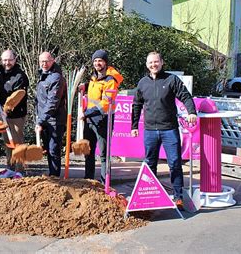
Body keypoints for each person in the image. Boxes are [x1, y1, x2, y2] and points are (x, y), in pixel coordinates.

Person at [131, 51, 197, 209]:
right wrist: (133, 126)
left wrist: (192, 112)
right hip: (150, 131)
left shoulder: (171, 79)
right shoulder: (142, 83)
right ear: (147, 65)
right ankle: (150, 194)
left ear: (162, 62)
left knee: (174, 163)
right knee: (150, 164)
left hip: (169, 129)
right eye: (150, 63)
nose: (153, 65)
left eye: (156, 62)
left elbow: (185, 96)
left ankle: (178, 196)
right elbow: (136, 105)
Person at [79, 49, 123, 182]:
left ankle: (105, 183)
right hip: (90, 121)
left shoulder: (111, 81)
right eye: (95, 61)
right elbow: (95, 92)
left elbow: (104, 103)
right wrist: (86, 86)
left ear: (105, 63)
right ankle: (88, 180)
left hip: (103, 121)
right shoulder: (93, 78)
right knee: (88, 152)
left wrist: (86, 113)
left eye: (100, 61)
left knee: (104, 155)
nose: (98, 63)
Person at [0, 49, 29, 179]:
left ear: (15, 59)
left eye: (10, 60)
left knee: (17, 142)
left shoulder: (20, 76)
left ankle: (20, 170)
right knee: (7, 142)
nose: (7, 62)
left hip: (16, 115)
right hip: (4, 114)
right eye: (4, 60)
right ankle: (10, 167)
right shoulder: (0, 72)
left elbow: (17, 97)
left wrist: (7, 109)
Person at [35, 52, 67, 177]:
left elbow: (52, 102)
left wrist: (40, 121)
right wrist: (39, 118)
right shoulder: (43, 75)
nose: (44, 64)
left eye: (47, 61)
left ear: (53, 60)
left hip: (55, 120)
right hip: (45, 119)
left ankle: (55, 177)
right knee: (49, 150)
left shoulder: (56, 78)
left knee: (53, 150)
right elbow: (40, 100)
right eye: (42, 61)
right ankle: (52, 176)